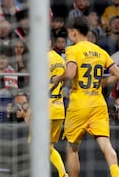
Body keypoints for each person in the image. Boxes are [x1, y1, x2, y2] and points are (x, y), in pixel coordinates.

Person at [52, 16, 119, 177]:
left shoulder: (73, 50)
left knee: (72, 148)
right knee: (106, 145)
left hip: (79, 104)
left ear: (74, 32)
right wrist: (102, 83)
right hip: (98, 104)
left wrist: (56, 78)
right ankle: (116, 175)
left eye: (70, 33)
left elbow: (70, 73)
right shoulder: (100, 51)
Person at [48, 42, 69, 177]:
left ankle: (62, 173)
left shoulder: (40, 59)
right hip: (59, 108)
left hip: (44, 109)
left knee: (37, 146)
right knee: (48, 147)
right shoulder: (61, 60)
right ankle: (62, 173)